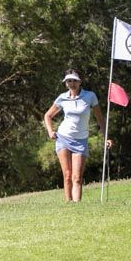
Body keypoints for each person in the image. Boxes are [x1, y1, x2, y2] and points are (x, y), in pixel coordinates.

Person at [43, 69, 110, 203]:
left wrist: (106, 137)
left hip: (80, 141)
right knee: (67, 175)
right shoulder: (62, 98)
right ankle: (69, 205)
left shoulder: (90, 96)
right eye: (69, 81)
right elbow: (48, 115)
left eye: (74, 80)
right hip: (63, 138)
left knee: (77, 177)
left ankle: (77, 205)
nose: (72, 83)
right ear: (65, 83)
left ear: (80, 82)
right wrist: (50, 131)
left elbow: (100, 119)